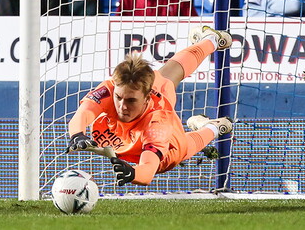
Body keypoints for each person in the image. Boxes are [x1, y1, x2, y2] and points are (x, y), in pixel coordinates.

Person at [66, 26, 234, 186]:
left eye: (130, 100)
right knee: (169, 73)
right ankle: (212, 39)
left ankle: (214, 127)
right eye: (118, 97)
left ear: (147, 98)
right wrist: (77, 134)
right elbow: (84, 112)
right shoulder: (111, 88)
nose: (122, 106)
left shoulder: (158, 125)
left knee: (183, 147)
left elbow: (147, 170)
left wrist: (133, 173)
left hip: (158, 149)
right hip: (136, 120)